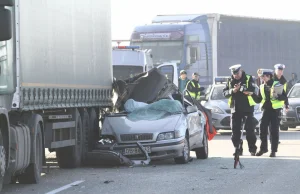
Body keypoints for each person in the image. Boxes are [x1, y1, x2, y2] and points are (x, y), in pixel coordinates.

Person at [223, 64, 257, 156]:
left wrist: (241, 89)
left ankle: (252, 149)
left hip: (247, 108)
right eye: (234, 74)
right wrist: (232, 91)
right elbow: (225, 93)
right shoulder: (230, 80)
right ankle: (238, 149)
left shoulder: (249, 78)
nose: (236, 76)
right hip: (235, 109)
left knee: (250, 131)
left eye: (237, 73)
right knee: (235, 132)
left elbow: (252, 89)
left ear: (241, 71)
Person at [252, 69, 288, 157]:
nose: (262, 78)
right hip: (265, 110)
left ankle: (273, 151)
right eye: (262, 77)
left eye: (264, 76)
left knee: (274, 131)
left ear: (269, 76)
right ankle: (263, 149)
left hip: (275, 111)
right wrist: (251, 94)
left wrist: (277, 96)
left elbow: (284, 97)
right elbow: (258, 100)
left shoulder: (277, 84)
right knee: (262, 129)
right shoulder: (261, 86)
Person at [272, 64, 289, 144]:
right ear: (275, 70)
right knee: (271, 124)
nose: (280, 72)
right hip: (270, 104)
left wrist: (286, 104)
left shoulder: (284, 81)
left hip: (279, 105)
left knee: (276, 124)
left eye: (281, 70)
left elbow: (285, 93)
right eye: (279, 70)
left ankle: (275, 139)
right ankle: (272, 139)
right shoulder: (271, 79)